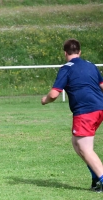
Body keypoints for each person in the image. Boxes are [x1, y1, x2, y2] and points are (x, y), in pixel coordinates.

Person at [41, 39, 103, 192]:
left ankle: (101, 178)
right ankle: (96, 178)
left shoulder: (66, 68)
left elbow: (54, 94)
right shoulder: (91, 65)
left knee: (84, 148)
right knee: (77, 144)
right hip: (99, 109)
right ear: (79, 52)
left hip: (85, 111)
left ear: (65, 53)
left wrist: (45, 100)